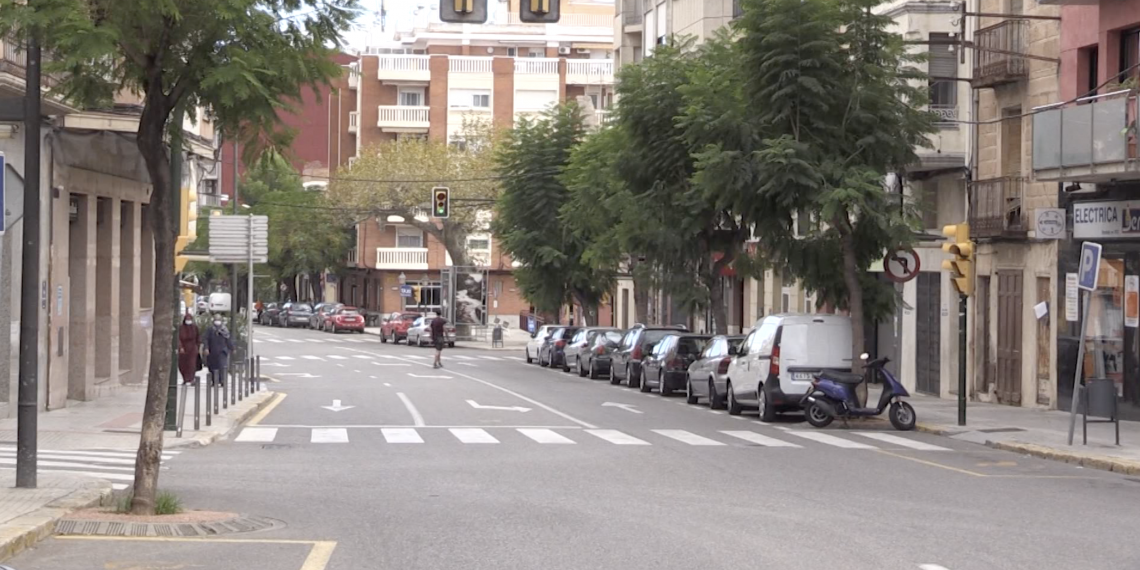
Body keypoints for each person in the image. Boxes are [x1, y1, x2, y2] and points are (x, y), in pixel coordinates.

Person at [203, 315, 234, 387]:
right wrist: (206, 348)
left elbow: (228, 339)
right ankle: (214, 381)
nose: (217, 321)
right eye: (216, 320)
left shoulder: (225, 330)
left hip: (222, 351)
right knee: (212, 367)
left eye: (219, 320)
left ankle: (222, 380)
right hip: (212, 351)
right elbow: (205, 339)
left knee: (222, 366)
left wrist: (232, 348)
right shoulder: (210, 329)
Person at [177, 312, 200, 385]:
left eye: (190, 319)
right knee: (183, 365)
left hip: (192, 348)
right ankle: (185, 378)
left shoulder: (194, 327)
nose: (188, 321)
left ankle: (191, 379)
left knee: (192, 364)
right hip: (183, 348)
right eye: (187, 319)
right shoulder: (181, 328)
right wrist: (180, 347)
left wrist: (197, 348)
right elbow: (179, 338)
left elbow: (198, 338)